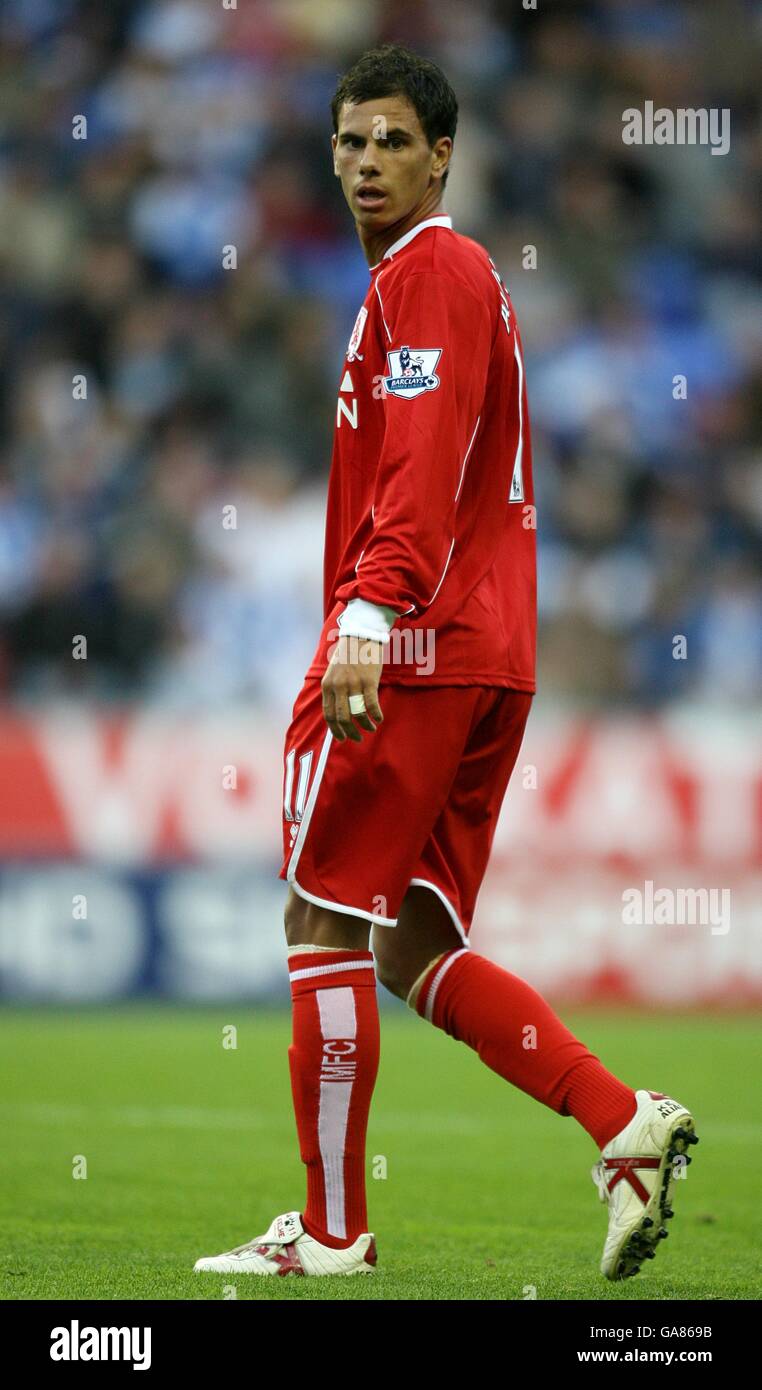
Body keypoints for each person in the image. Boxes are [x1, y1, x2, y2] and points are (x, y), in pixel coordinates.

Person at [194, 43, 697, 1284]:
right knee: (412, 944)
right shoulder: (441, 284)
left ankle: (328, 1232)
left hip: (415, 642)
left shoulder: (433, 273)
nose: (367, 162)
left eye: (393, 142)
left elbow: (419, 463)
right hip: (486, 650)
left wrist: (370, 610)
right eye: (350, 142)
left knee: (321, 914)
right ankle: (621, 1123)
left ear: (443, 156)